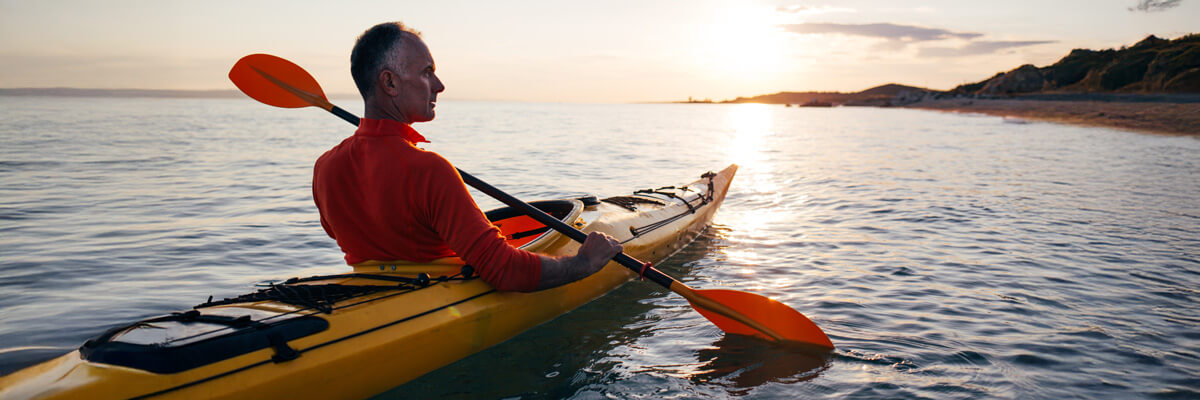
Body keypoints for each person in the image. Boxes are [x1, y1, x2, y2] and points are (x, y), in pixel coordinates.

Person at [313, 21, 621, 292]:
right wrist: (584, 263)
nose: (439, 86)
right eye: (427, 72)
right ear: (389, 82)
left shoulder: (325, 167)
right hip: (435, 297)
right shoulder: (429, 170)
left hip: (365, 298)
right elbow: (506, 271)